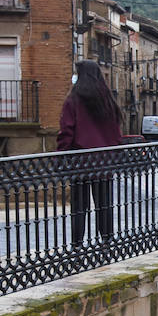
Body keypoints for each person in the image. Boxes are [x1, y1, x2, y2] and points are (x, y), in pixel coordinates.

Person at [57, 60, 123, 245]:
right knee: (104, 204)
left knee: (79, 207)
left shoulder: (73, 100)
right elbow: (116, 132)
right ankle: (107, 241)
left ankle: (77, 245)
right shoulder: (107, 99)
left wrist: (60, 157)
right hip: (103, 162)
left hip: (81, 161)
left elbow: (66, 131)